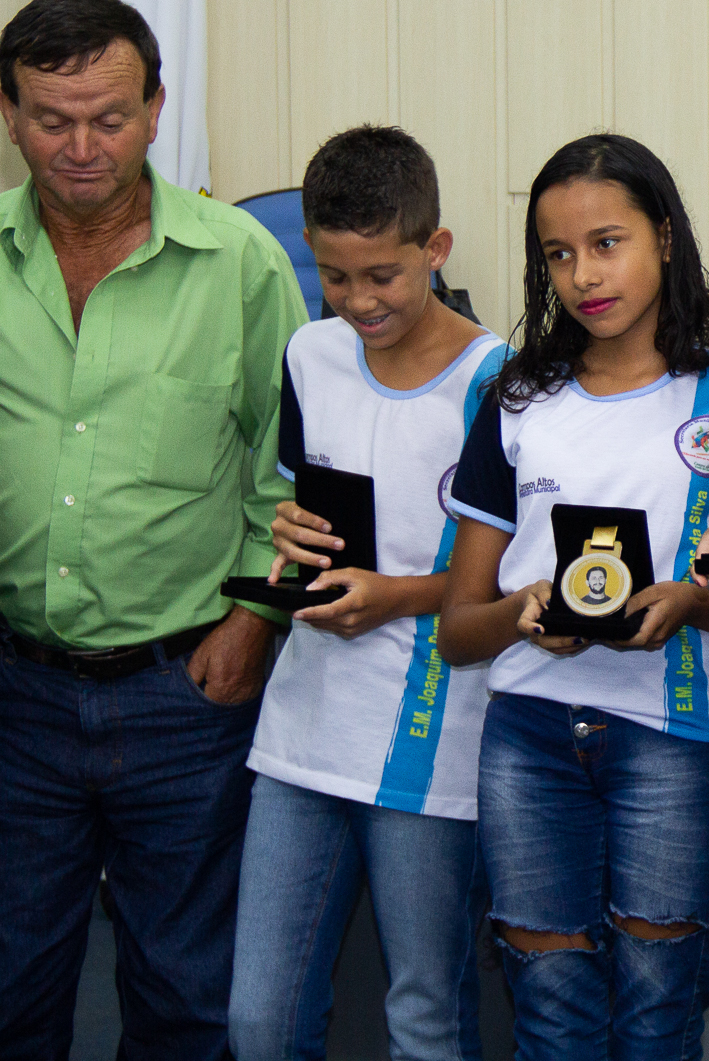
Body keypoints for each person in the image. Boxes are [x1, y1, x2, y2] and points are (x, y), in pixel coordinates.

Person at [0, 0, 306, 1060]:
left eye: (110, 117)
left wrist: (256, 621)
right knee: (10, 991)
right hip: (16, 695)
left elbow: (295, 475)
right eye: (52, 119)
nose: (82, 147)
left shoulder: (239, 263)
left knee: (185, 999)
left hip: (186, 695)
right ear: (9, 115)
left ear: (157, 109)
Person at [439, 135, 709, 1061]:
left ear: (665, 235)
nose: (583, 275)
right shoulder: (514, 397)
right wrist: (523, 611)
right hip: (528, 736)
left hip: (679, 736)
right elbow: (459, 629)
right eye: (558, 253)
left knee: (658, 1016)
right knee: (551, 1016)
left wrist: (688, 601)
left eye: (607, 242)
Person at [227, 125, 503, 1060]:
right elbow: (307, 503)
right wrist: (290, 534)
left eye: (382, 274)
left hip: (431, 732)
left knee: (425, 1015)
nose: (358, 300)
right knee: (259, 1020)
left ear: (436, 248)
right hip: (304, 727)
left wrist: (392, 596)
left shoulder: (496, 381)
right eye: (335, 275)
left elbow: (507, 578)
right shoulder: (310, 353)